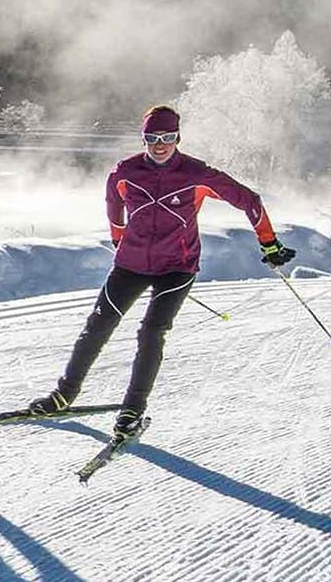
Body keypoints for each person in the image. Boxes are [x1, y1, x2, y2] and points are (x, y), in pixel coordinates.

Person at [26, 103, 294, 437]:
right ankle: (63, 394)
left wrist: (269, 243)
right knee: (98, 325)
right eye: (152, 137)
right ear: (143, 139)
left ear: (178, 137)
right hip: (131, 263)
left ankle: (132, 411)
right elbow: (113, 205)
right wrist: (119, 240)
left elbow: (249, 200)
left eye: (167, 137)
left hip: (177, 268)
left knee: (151, 331)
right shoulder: (125, 172)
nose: (159, 144)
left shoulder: (196, 174)